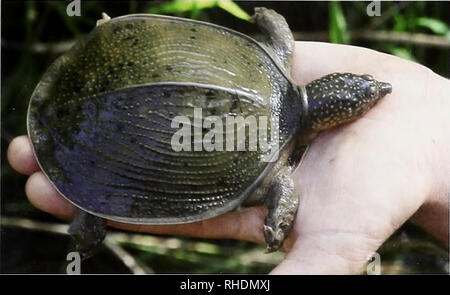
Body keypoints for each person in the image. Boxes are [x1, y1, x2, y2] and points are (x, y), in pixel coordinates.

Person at [7, 41, 449, 274]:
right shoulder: (278, 170)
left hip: (116, 76)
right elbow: (282, 212)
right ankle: (92, 208)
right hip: (113, 117)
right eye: (365, 94)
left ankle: (91, 206)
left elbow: (274, 25)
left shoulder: (273, 59)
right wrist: (279, 223)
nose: (377, 94)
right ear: (333, 118)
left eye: (365, 94)